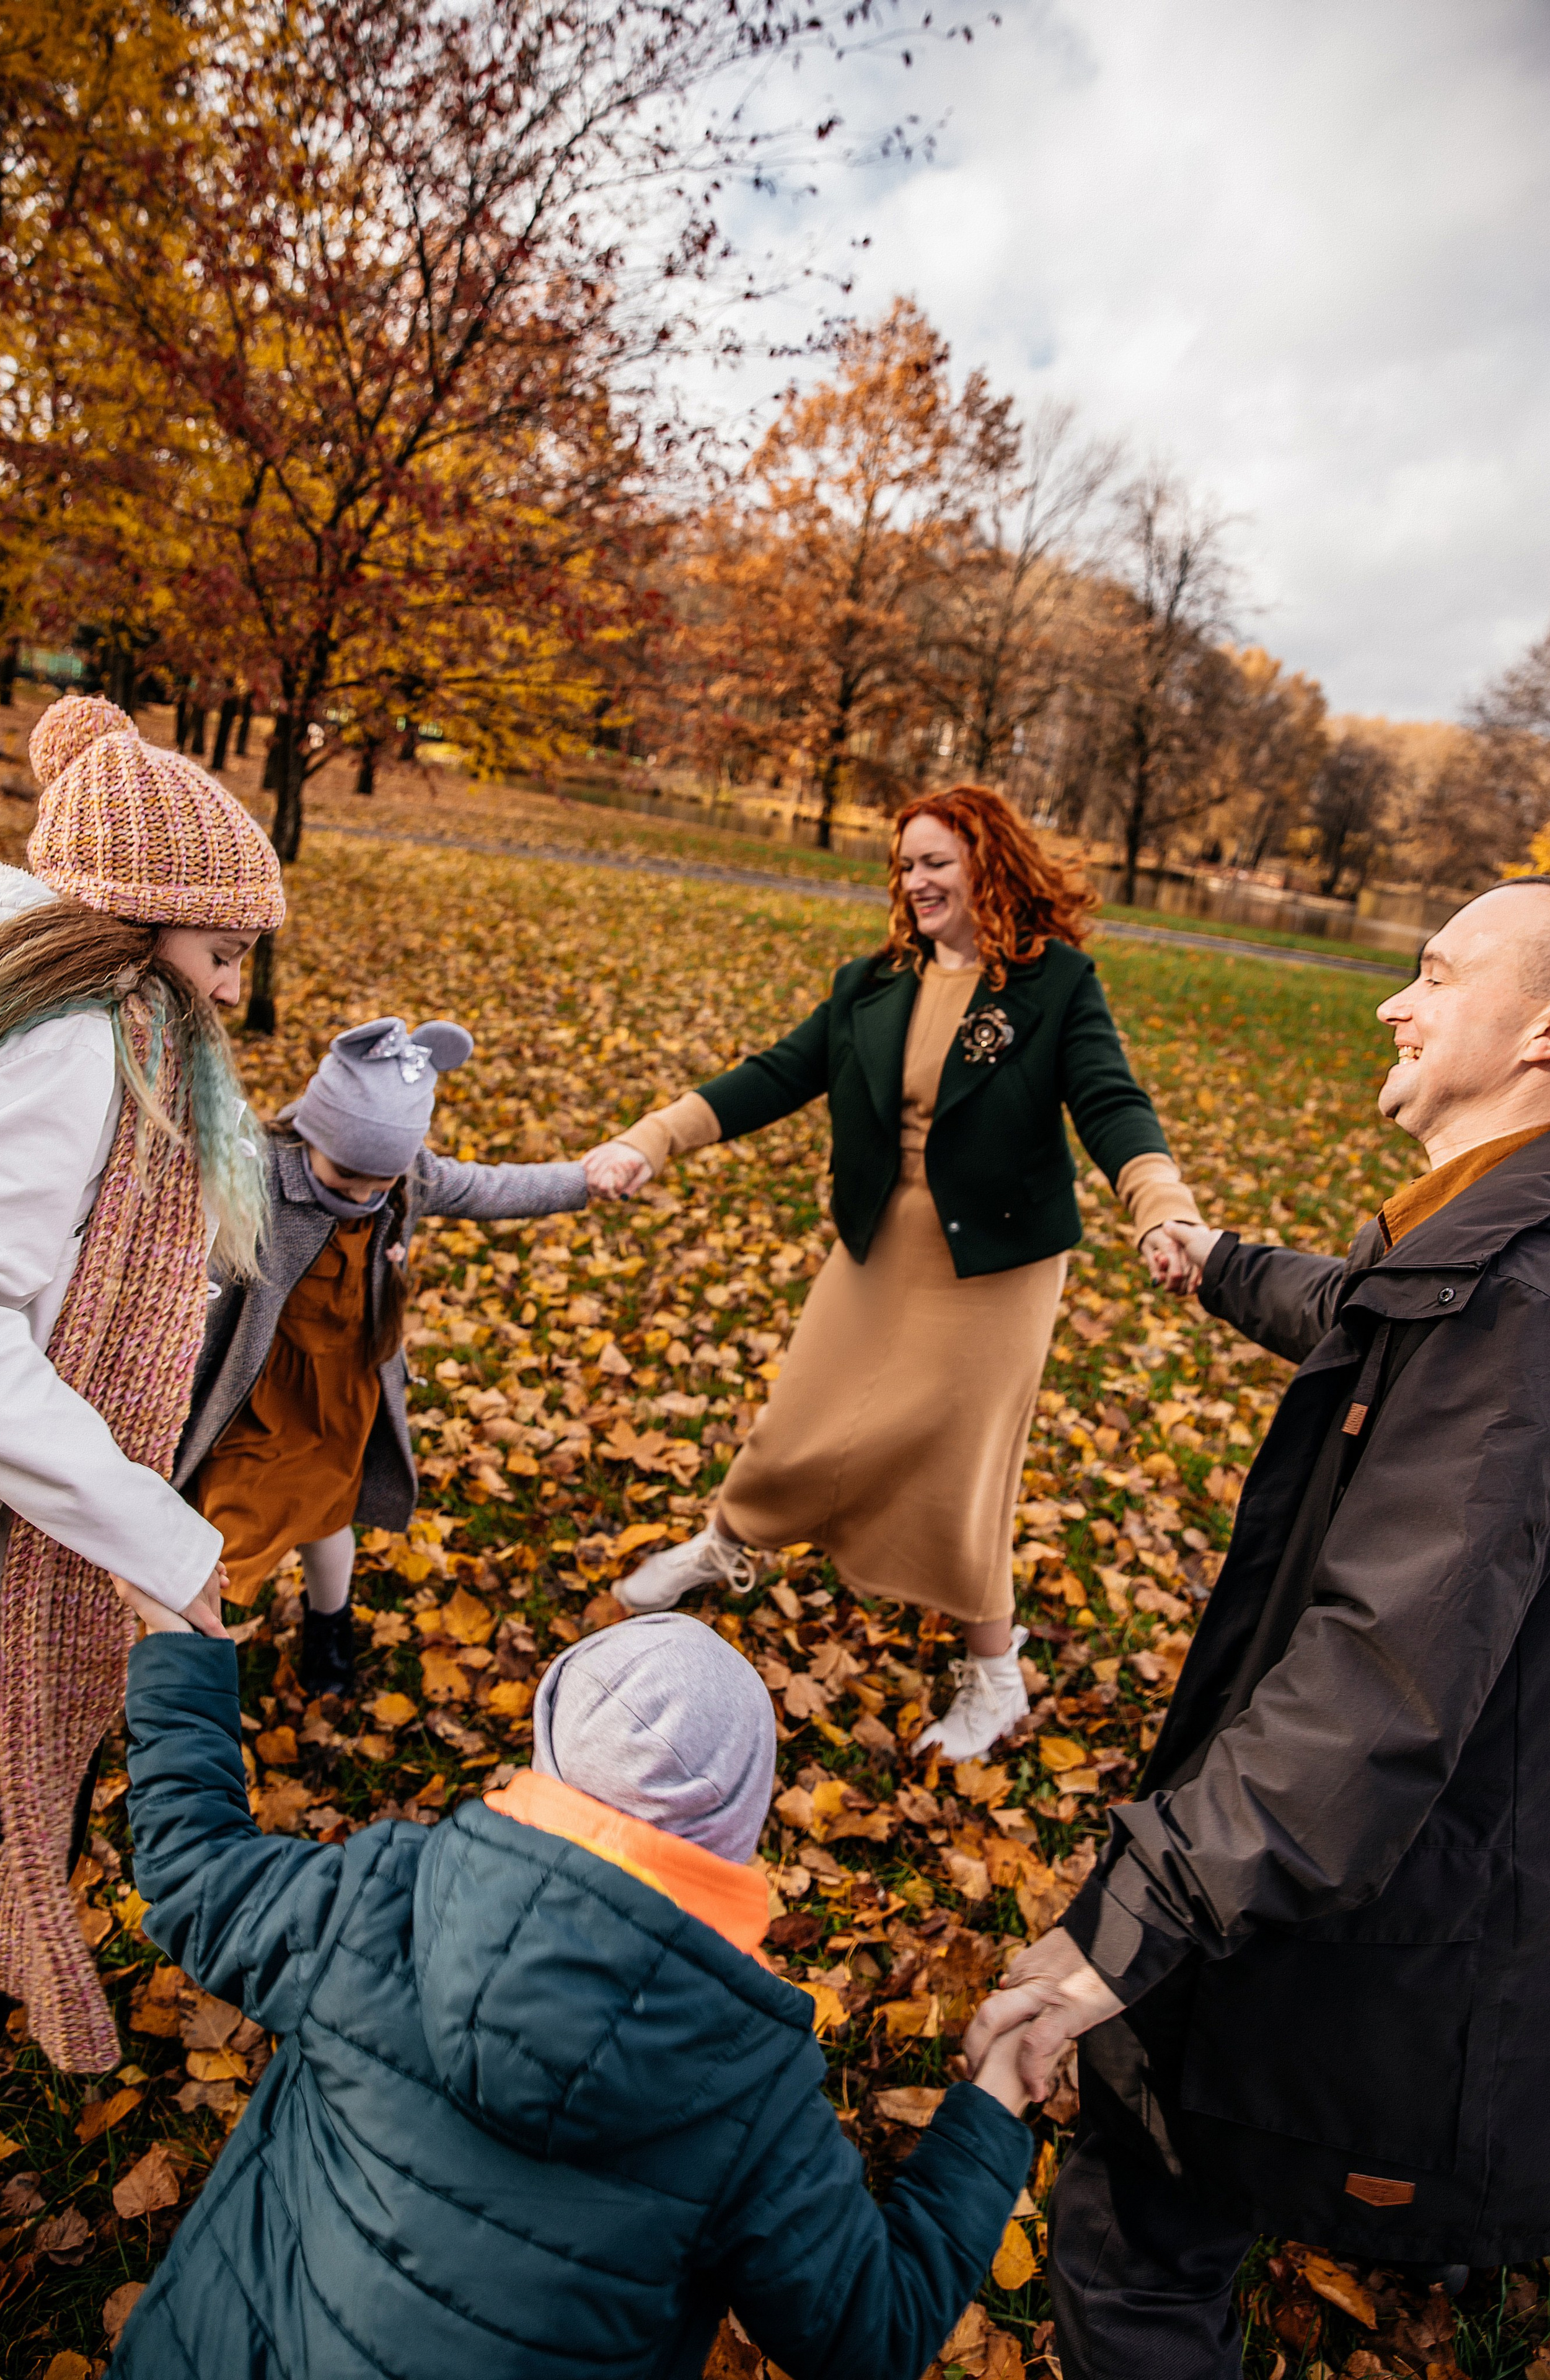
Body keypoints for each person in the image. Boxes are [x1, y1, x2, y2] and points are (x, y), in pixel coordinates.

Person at [967, 878, 1550, 2379]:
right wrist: (1219, 1262)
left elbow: (1376, 1675)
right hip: (1425, 1885)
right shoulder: (1480, 1246)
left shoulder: (1519, 1301)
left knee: (1136, 2222)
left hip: (1401, 1908)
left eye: (1433, 973)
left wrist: (1130, 1921)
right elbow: (1375, 1313)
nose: (1390, 1002)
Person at [107, 1598, 1037, 2380]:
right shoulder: (752, 2081)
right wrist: (994, 2103)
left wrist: (184, 1649)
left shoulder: (383, 1895)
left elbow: (195, 1874)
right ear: (742, 1825)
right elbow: (872, 2335)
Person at [587, 786, 1204, 1759]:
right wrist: (651, 1140)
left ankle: (994, 1675)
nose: (914, 881)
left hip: (997, 1262)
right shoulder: (870, 983)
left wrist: (1162, 1208)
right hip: (879, 1238)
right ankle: (730, 1545)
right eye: (906, 864)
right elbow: (773, 1076)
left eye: (935, 863)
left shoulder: (1053, 985)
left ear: (987, 865)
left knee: (961, 1464)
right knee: (801, 1414)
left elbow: (1110, 1102)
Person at [0, 690, 281, 2097]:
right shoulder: (72, 1046)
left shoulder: (80, 1015)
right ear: (139, 917)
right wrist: (149, 1531)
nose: (231, 990)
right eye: (221, 954)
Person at [173, 1016, 589, 1695]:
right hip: (261, 1395)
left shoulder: (403, 1181)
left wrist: (582, 1181)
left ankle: (329, 1630)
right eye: (349, 1174)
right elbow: (181, 1153)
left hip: (346, 1388)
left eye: (379, 1181)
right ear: (313, 1133)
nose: (364, 1195)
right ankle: (184, 1665)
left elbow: (488, 1188)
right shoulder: (263, 1173)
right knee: (224, 1530)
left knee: (329, 1518)